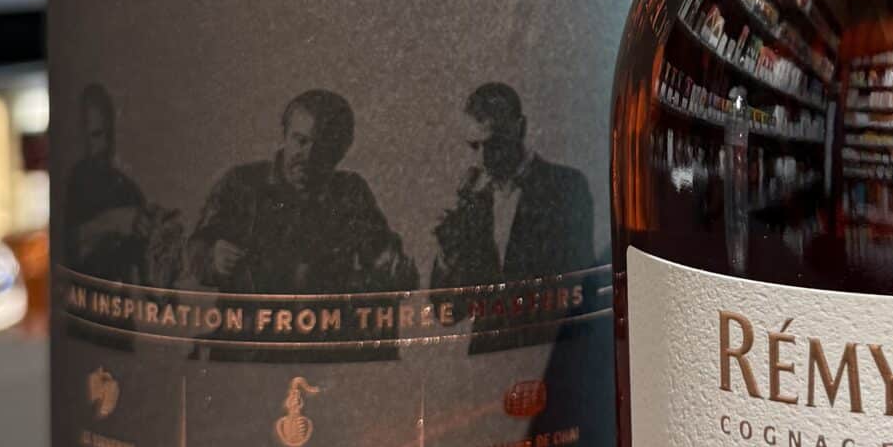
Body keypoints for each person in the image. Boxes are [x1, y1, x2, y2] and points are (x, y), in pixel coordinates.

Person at [186, 90, 416, 295]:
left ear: (342, 150)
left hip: (327, 326)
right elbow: (193, 252)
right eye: (301, 141)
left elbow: (385, 259)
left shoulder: (351, 194)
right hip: (252, 326)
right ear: (285, 136)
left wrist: (392, 269)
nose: (308, 156)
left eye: (323, 146)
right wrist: (213, 259)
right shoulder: (241, 184)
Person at [430, 83, 595, 287]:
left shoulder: (566, 188)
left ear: (521, 128)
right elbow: (444, 303)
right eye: (474, 146)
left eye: (494, 145)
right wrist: (447, 254)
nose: (482, 160)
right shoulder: (471, 202)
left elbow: (581, 283)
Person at [63, 84, 158, 283]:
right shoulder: (70, 185)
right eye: (96, 135)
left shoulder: (128, 190)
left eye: (109, 134)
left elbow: (144, 272)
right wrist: (113, 222)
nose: (106, 145)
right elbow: (67, 246)